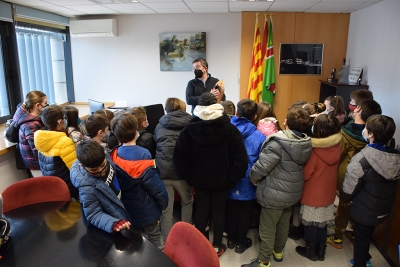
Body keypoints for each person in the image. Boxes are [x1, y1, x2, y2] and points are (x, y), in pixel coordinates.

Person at [174, 92, 248, 257]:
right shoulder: (230, 129)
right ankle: (216, 246)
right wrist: (232, 179)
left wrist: (189, 178)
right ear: (217, 106)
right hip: (223, 181)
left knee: (201, 211)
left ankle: (200, 247)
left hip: (199, 181)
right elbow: (241, 160)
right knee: (219, 212)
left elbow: (178, 158)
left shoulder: (188, 130)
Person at [242, 108, 312, 267]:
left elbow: (262, 167)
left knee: (267, 227)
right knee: (283, 224)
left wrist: (253, 178)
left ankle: (263, 261)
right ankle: (278, 252)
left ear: (286, 122)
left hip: (274, 192)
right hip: (292, 192)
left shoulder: (277, 143)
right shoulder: (305, 143)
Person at [342, 115, 400, 267]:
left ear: (371, 134)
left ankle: (360, 263)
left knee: (361, 237)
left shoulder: (361, 159)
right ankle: (366, 256)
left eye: (366, 128)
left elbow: (349, 189)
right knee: (368, 233)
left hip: (364, 210)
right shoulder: (396, 157)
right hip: (383, 209)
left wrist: (345, 198)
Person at [327, 99, 382, 249]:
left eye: (357, 106)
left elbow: (339, 155)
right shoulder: (373, 133)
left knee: (344, 204)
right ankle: (355, 231)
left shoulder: (346, 131)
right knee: (358, 203)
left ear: (359, 110)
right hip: (367, 176)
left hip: (346, 174)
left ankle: (338, 236)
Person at [110, 113, 168, 248]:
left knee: (134, 238)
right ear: (136, 131)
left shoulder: (114, 154)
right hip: (146, 209)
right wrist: (163, 204)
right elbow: (156, 188)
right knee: (154, 235)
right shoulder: (144, 154)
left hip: (125, 209)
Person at [295, 114, 342, 261]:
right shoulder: (337, 147)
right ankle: (321, 251)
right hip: (328, 193)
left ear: (319, 130)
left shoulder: (314, 150)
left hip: (312, 194)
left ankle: (310, 251)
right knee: (322, 223)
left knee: (309, 223)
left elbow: (306, 174)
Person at [226, 99, 266, 254]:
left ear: (236, 113)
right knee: (245, 212)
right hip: (249, 181)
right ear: (255, 116)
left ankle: (231, 239)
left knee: (230, 209)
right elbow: (262, 163)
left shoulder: (226, 131)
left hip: (229, 179)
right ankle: (241, 243)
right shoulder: (260, 137)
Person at [154, 97, 194, 242]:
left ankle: (167, 240)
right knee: (187, 201)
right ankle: (187, 236)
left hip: (163, 172)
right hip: (182, 173)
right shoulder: (191, 125)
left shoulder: (159, 126)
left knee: (166, 208)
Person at [70, 140, 131, 233]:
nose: (101, 171)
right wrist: (113, 223)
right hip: (111, 215)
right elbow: (93, 214)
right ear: (82, 166)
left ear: (104, 153)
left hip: (118, 200)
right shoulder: (87, 189)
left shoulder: (103, 156)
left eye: (103, 165)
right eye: (94, 170)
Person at [34, 105, 78, 199]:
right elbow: (75, 170)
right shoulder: (64, 142)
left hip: (52, 188)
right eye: (64, 118)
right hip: (68, 189)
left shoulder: (40, 139)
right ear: (60, 121)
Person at [12, 90, 47, 173]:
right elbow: (36, 149)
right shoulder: (30, 125)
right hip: (37, 165)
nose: (46, 106)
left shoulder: (31, 119)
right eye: (45, 104)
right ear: (38, 105)